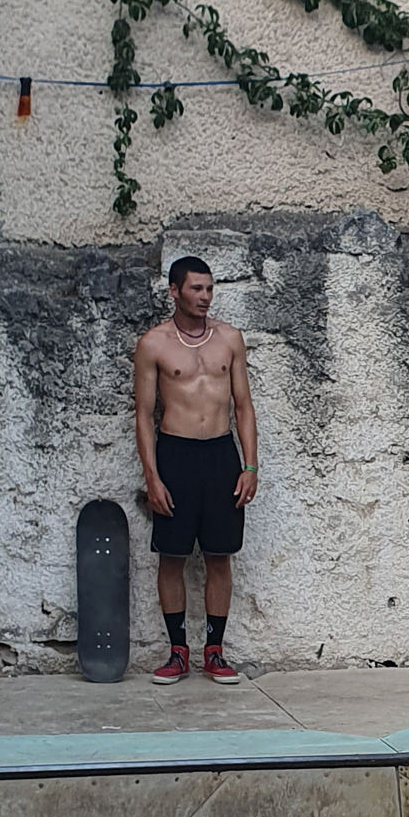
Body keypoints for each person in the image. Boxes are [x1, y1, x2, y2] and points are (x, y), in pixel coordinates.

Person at [133, 255, 259, 683]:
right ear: (174, 291)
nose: (205, 297)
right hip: (176, 455)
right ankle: (177, 652)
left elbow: (244, 407)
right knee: (172, 557)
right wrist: (152, 476)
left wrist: (250, 466)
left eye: (209, 289)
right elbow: (144, 415)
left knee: (220, 556)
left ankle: (215, 653)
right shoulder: (154, 344)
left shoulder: (229, 339)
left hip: (221, 455)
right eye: (196, 289)